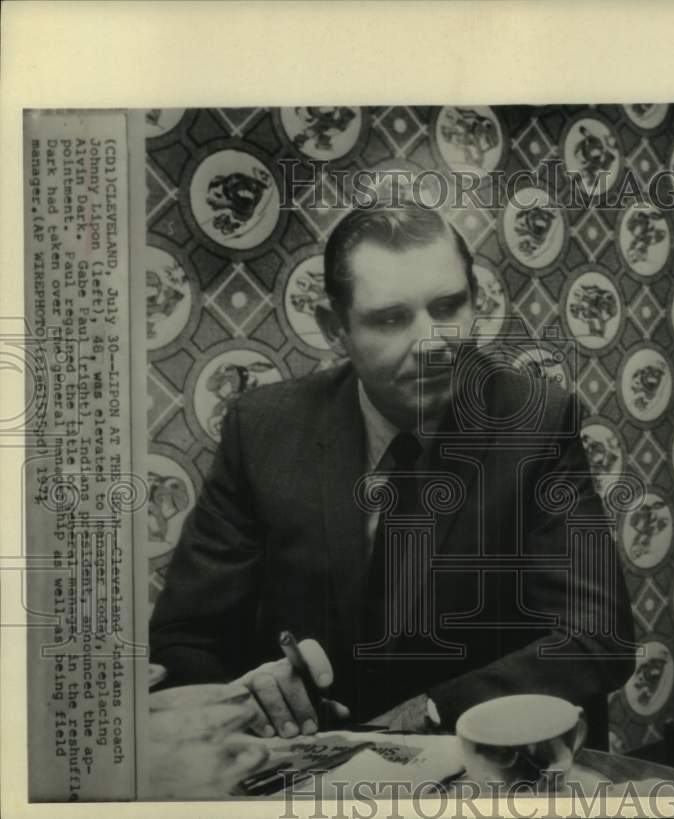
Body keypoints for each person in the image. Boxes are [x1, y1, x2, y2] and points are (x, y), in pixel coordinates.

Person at [150, 202, 635, 743]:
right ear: (336, 329)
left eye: (448, 306)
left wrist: (431, 711)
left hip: (483, 763)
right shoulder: (261, 431)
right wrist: (251, 699)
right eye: (390, 319)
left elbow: (598, 638)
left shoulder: (537, 422)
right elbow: (182, 639)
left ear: (476, 302)